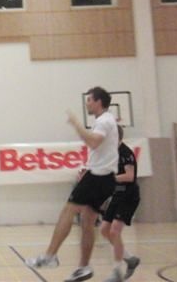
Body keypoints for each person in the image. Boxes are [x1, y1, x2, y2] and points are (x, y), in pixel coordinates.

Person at [26, 86, 119, 282]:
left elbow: (93, 142)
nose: (87, 104)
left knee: (68, 210)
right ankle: (83, 267)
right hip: (105, 178)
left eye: (89, 100)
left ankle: (50, 256)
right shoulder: (106, 120)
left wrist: (76, 124)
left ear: (98, 102)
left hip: (98, 176)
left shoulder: (104, 121)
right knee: (87, 221)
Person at [100, 125, 141, 282]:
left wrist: (111, 179)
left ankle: (116, 271)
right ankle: (130, 259)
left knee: (114, 231)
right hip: (118, 195)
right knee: (104, 230)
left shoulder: (125, 153)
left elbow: (130, 176)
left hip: (129, 196)